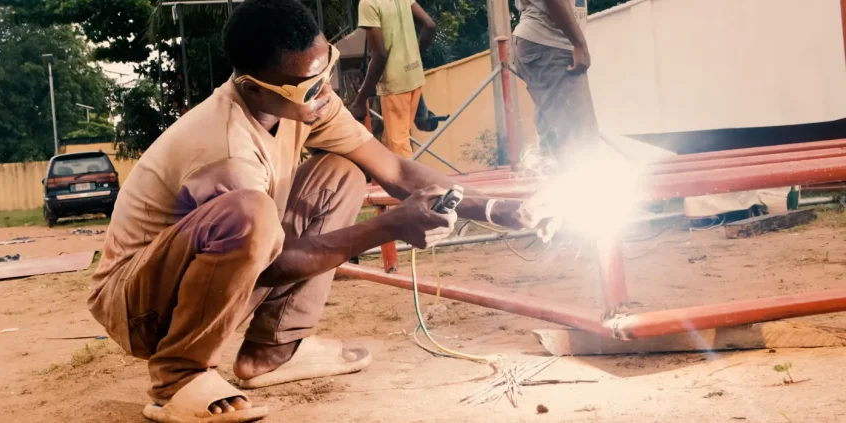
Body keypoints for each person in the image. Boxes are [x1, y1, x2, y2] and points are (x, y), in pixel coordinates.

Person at [88, 0, 548, 421]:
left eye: (326, 65)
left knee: (343, 173)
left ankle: (274, 350)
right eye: (310, 85)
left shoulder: (306, 102)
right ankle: (177, 378)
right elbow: (269, 267)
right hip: (139, 308)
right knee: (251, 214)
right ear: (253, 88)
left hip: (201, 278)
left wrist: (493, 209)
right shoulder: (225, 149)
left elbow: (392, 168)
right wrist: (386, 227)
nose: (325, 89)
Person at [511, 0, 599, 163]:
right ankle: (580, 184)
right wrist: (579, 43)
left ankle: (556, 183)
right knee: (578, 134)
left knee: (555, 133)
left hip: (542, 44)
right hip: (549, 44)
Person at [348, 0, 436, 159]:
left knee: (399, 149)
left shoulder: (368, 3)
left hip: (395, 84)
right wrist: (416, 54)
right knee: (392, 143)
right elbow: (429, 24)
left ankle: (416, 184)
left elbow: (380, 55)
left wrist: (360, 101)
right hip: (414, 76)